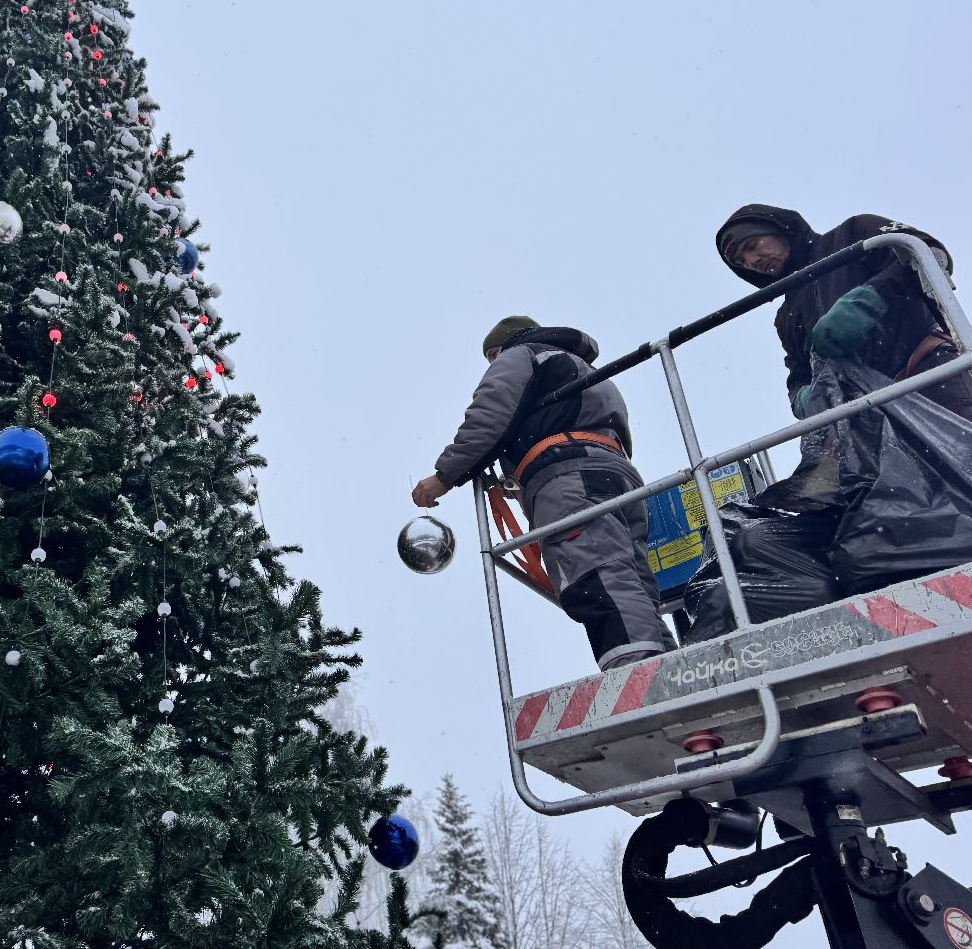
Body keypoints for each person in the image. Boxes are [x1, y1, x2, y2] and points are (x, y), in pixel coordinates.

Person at [411, 316, 674, 672]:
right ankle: (674, 668)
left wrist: (444, 475)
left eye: (491, 357)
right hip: (614, 472)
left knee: (596, 576)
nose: (492, 365)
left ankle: (638, 674)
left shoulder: (521, 354)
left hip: (567, 477)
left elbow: (490, 416)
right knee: (634, 583)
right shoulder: (580, 368)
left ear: (500, 348)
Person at [716, 204, 971, 419]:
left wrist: (869, 300)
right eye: (741, 262)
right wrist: (804, 398)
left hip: (934, 374)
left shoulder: (853, 235)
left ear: (778, 230)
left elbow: (929, 254)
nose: (752, 261)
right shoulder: (786, 317)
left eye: (752, 245)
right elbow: (799, 375)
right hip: (870, 418)